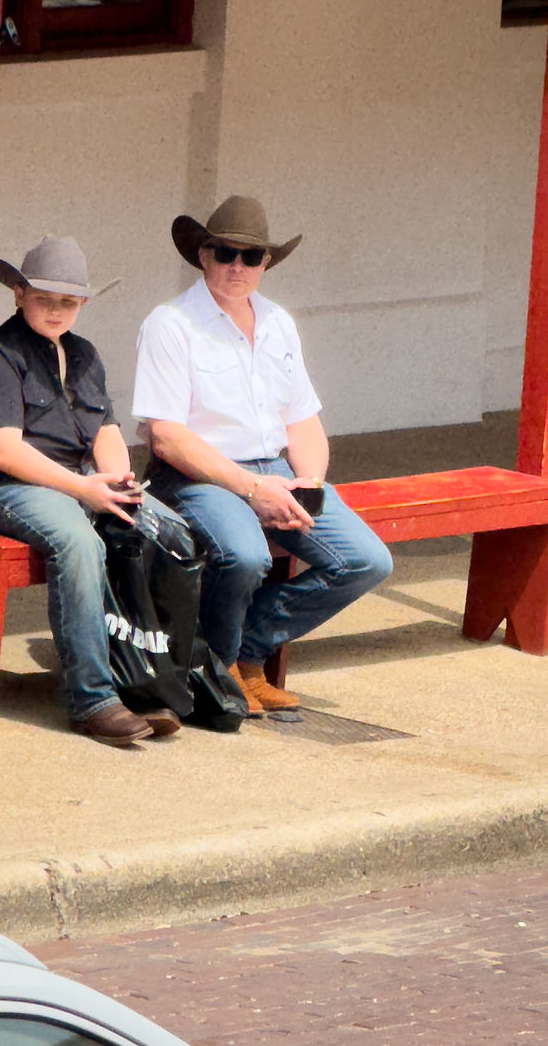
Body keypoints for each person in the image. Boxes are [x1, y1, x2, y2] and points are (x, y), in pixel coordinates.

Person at [132, 194, 393, 716]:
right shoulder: (170, 323)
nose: (237, 267)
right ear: (202, 255)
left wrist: (309, 483)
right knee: (246, 554)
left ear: (266, 263)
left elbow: (302, 420)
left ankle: (245, 653)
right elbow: (165, 437)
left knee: (367, 561)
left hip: (276, 470)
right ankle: (223, 671)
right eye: (225, 253)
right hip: (199, 476)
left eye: (251, 257)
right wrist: (252, 490)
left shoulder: (278, 322)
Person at [0, 234, 182, 746]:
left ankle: (152, 679)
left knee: (171, 532)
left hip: (80, 482)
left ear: (82, 304)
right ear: (18, 293)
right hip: (13, 488)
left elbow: (106, 431)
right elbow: (4, 450)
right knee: (80, 543)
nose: (55, 310)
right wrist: (83, 489)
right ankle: (92, 698)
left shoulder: (84, 354)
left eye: (67, 301)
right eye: (44, 298)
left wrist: (118, 482)